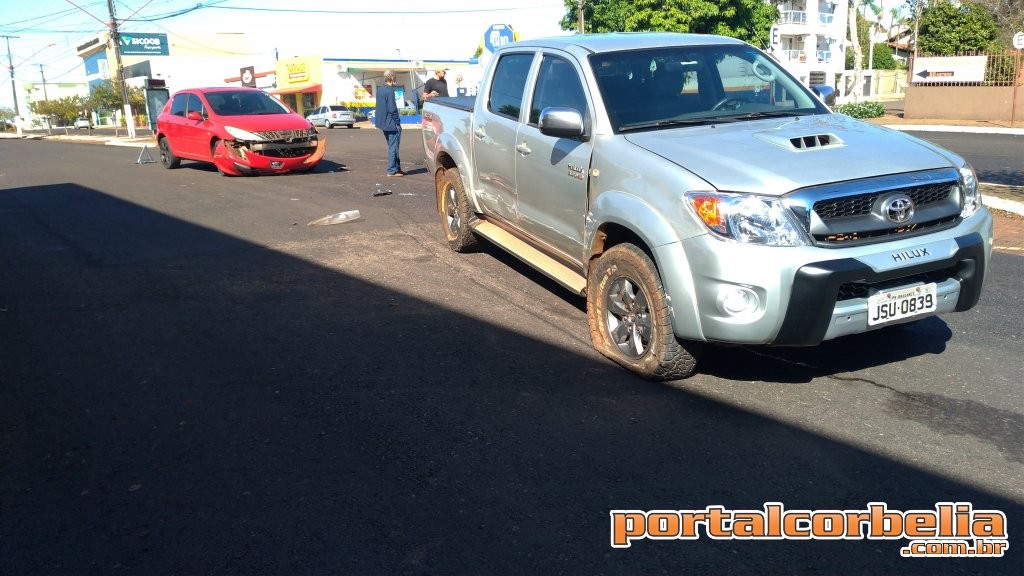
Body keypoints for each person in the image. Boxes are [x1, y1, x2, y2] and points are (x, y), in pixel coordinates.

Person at [375, 69, 403, 177]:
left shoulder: (380, 90)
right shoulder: (390, 90)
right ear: (392, 78)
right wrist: (397, 122)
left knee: (393, 146)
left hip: (383, 124)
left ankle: (397, 168)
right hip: (391, 123)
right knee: (393, 147)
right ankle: (392, 170)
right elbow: (392, 108)